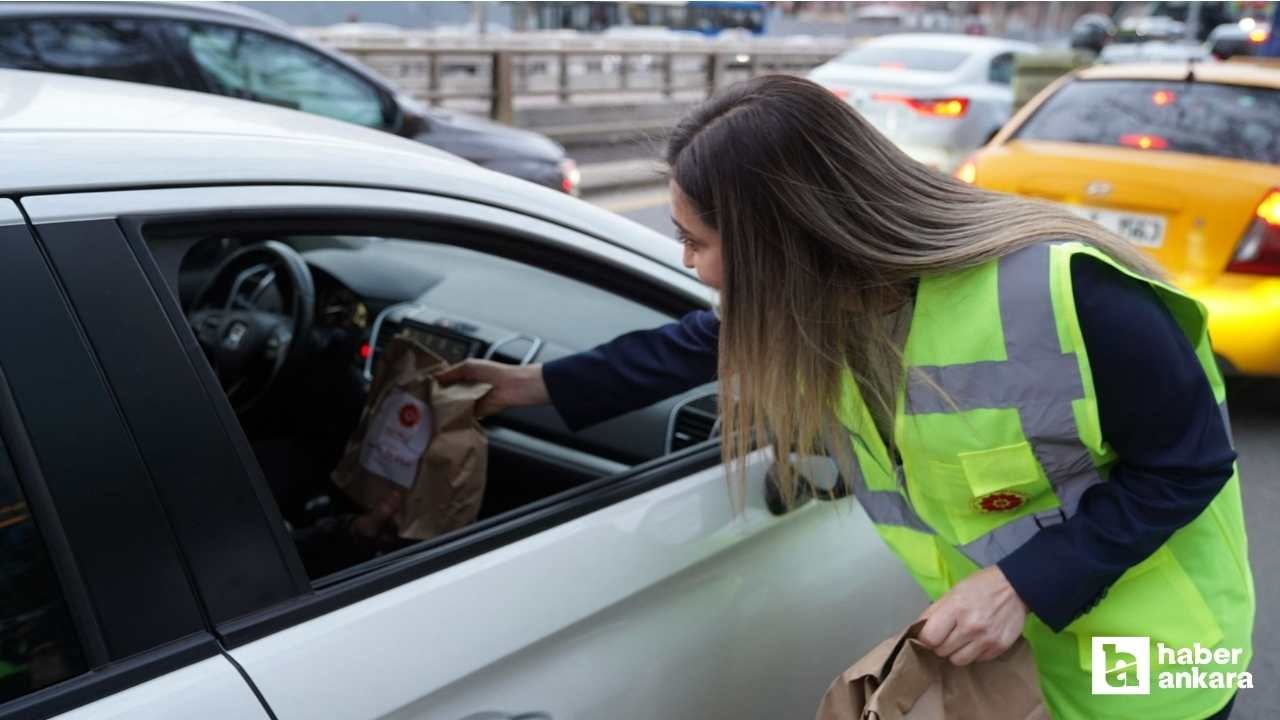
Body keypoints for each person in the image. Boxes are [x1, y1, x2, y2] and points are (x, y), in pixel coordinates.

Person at [436, 75, 1253, 720]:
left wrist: (1019, 585)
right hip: (1007, 666)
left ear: (786, 240)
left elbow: (1189, 465)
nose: (688, 263)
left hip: (1151, 665)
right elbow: (705, 341)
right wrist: (534, 386)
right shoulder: (826, 305)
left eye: (697, 242)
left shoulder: (1068, 290)